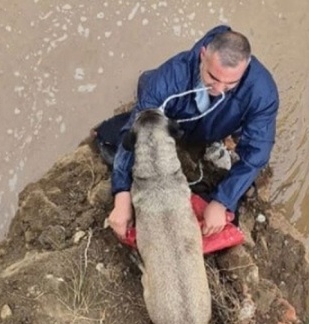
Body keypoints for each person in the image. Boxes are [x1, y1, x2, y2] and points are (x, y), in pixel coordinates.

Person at [106, 25, 279, 241]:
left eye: (231, 83)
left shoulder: (262, 92)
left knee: (241, 167)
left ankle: (220, 140)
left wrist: (222, 201)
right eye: (213, 78)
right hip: (174, 121)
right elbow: (135, 131)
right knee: (115, 135)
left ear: (246, 67)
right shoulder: (170, 77)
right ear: (203, 54)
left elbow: (257, 152)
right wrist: (121, 194)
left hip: (220, 125)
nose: (219, 89)